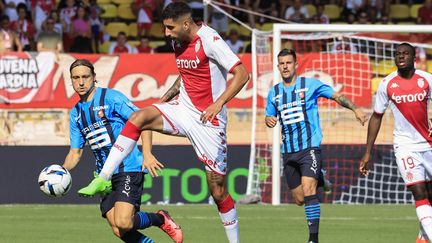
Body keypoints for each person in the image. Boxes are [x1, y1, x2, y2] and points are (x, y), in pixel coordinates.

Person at [78, 2, 249, 243]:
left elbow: (242, 74)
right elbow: (187, 74)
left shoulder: (209, 39)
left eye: (170, 28)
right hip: (183, 109)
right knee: (139, 118)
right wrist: (167, 97)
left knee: (218, 190)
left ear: (186, 24)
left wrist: (218, 103)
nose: (166, 33)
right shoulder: (178, 40)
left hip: (209, 121)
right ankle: (103, 177)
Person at [62, 59, 183, 243]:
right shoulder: (75, 113)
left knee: (124, 222)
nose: (80, 82)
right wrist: (61, 171)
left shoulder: (111, 98)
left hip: (128, 166)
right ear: (70, 80)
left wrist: (148, 154)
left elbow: (144, 120)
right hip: (104, 175)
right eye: (76, 78)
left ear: (94, 78)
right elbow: (75, 153)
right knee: (119, 230)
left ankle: (160, 218)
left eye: (85, 77)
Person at [266, 48, 367, 243]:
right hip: (288, 151)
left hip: (310, 147)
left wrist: (356, 109)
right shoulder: (274, 92)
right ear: (278, 67)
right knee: (299, 199)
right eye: (282, 63)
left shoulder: (310, 85)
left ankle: (313, 239)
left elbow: (336, 96)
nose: (285, 66)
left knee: (309, 190)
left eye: (288, 62)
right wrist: (269, 120)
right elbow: (270, 116)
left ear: (296, 65)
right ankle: (321, 177)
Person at [359, 43, 432, 243]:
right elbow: (376, 117)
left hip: (428, 144)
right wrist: (367, 152)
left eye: (405, 54)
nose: (401, 57)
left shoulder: (427, 80)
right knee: (418, 192)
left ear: (413, 56)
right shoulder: (387, 84)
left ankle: (423, 236)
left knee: (430, 197)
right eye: (397, 54)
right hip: (405, 146)